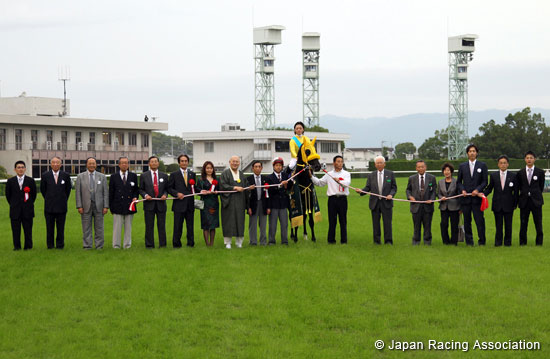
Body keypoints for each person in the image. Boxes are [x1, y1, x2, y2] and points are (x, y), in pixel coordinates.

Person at [356, 155, 397, 244]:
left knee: (387, 223)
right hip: (375, 203)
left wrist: (391, 194)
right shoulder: (371, 175)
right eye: (377, 163)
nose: (379, 164)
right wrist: (361, 191)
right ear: (375, 165)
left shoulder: (390, 174)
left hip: (387, 203)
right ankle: (377, 241)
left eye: (380, 163)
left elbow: (394, 188)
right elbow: (368, 187)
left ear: (384, 164)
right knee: (375, 224)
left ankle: (388, 241)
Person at [311, 155, 351, 244]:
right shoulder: (329, 174)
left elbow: (346, 183)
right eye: (338, 161)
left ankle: (344, 241)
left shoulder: (346, 174)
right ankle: (331, 240)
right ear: (334, 163)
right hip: (332, 200)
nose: (340, 163)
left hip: (342, 199)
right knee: (332, 221)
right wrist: (311, 177)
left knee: (343, 221)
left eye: (341, 161)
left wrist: (339, 181)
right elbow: (320, 183)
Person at [457, 144, 488, 246]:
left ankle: (482, 241)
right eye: (470, 151)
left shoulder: (482, 165)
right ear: (467, 153)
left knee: (479, 221)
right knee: (467, 222)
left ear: (477, 153)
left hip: (477, 200)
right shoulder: (462, 166)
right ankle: (469, 242)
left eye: (474, 151)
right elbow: (459, 182)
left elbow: (484, 182)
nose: (472, 153)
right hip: (466, 200)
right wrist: (462, 190)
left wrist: (477, 190)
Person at [483, 155, 517, 247]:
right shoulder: (494, 175)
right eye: (501, 163)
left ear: (508, 164)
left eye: (505, 163)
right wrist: (482, 194)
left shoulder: (513, 176)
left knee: (508, 225)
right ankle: (498, 243)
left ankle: (507, 243)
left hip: (509, 205)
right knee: (498, 225)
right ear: (498, 164)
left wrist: (515, 203)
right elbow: (490, 188)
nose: (503, 165)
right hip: (497, 204)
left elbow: (516, 191)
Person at [75, 157, 109, 249]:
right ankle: (87, 246)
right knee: (86, 228)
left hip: (99, 206)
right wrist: (79, 206)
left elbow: (105, 192)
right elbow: (78, 193)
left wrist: (106, 206)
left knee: (99, 228)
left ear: (96, 164)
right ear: (86, 164)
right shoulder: (80, 177)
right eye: (89, 163)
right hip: (85, 206)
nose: (91, 165)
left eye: (93, 163)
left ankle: (99, 246)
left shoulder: (102, 177)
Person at [40, 156, 72, 249]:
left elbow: (68, 190)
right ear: (50, 164)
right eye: (53, 162)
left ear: (60, 164)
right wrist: (49, 198)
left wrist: (62, 199)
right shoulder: (45, 175)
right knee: (49, 228)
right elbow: (43, 190)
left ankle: (60, 245)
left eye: (57, 162)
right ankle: (50, 245)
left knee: (60, 227)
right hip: (49, 207)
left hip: (61, 206)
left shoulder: (65, 175)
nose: (55, 164)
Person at [5, 161, 37, 250]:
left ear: (25, 169)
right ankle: (17, 246)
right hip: (15, 210)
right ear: (15, 169)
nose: (21, 169)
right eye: (18, 167)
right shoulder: (10, 181)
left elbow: (33, 195)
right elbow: (8, 196)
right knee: (15, 230)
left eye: (22, 167)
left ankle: (28, 246)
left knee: (28, 230)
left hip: (28, 210)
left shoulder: (30, 181)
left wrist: (28, 204)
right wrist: (14, 205)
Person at [109, 156, 139, 249]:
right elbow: (111, 192)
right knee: (117, 228)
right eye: (122, 163)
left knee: (128, 228)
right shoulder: (114, 177)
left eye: (126, 163)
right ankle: (116, 245)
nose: (125, 164)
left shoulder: (133, 176)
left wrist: (135, 197)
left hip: (129, 205)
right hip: (117, 206)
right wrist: (111, 207)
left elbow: (135, 190)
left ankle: (127, 245)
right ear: (119, 164)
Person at [516, 151, 545, 246]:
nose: (529, 159)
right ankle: (522, 242)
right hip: (524, 201)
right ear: (525, 159)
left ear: (534, 159)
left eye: (531, 158)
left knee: (538, 223)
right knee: (523, 223)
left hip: (536, 202)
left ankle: (539, 243)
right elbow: (519, 186)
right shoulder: (520, 173)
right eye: (527, 158)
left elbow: (541, 187)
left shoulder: (540, 172)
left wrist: (534, 194)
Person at [219, 156, 248, 249]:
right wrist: (234, 188)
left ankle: (239, 242)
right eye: (233, 161)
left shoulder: (241, 174)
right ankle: (227, 242)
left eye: (237, 162)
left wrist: (249, 188)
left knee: (240, 220)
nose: (235, 163)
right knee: (228, 221)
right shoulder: (225, 173)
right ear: (229, 162)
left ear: (239, 163)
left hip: (240, 202)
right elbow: (223, 185)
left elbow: (246, 186)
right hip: (229, 202)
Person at [139, 155, 168, 248]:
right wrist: (145, 195)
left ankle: (163, 245)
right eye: (152, 161)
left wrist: (165, 195)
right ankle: (149, 245)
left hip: (161, 204)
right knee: (149, 226)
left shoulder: (164, 175)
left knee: (162, 225)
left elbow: (167, 189)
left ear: (158, 163)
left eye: (156, 161)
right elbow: (141, 189)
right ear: (149, 164)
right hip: (149, 204)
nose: (154, 163)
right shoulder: (144, 175)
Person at [168, 154, 196, 248]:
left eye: (186, 161)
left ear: (188, 162)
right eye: (182, 161)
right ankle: (176, 244)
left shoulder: (192, 174)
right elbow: (169, 188)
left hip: (190, 205)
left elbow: (194, 188)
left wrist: (202, 191)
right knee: (177, 226)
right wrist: (176, 194)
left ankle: (190, 243)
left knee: (190, 226)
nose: (184, 163)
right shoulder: (174, 175)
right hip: (179, 205)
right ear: (179, 162)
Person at [406, 160, 437, 245]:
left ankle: (427, 241)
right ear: (416, 168)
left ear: (425, 167)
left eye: (422, 166)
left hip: (428, 206)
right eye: (419, 167)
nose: (421, 168)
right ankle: (416, 241)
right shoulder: (412, 178)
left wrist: (432, 199)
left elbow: (434, 191)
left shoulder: (432, 178)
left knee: (427, 225)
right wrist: (410, 197)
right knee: (416, 226)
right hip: (416, 206)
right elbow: (408, 190)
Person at [266, 157, 291, 245]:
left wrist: (286, 186)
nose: (278, 167)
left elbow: (289, 188)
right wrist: (280, 185)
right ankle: (271, 241)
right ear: (273, 166)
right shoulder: (269, 177)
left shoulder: (286, 176)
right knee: (272, 225)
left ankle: (284, 241)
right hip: (274, 205)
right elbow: (270, 191)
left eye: (280, 165)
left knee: (284, 224)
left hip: (283, 204)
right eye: (276, 165)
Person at [246, 160, 270, 246]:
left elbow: (268, 195)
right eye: (255, 167)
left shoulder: (266, 179)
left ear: (262, 168)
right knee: (252, 224)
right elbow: (246, 195)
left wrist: (268, 207)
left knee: (263, 224)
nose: (257, 168)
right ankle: (253, 242)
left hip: (263, 204)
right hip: (253, 205)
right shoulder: (248, 180)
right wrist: (248, 207)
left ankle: (263, 242)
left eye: (259, 166)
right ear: (252, 168)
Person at [438, 162, 460, 245]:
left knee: (454, 225)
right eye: (445, 170)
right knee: (443, 224)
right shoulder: (440, 182)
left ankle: (454, 242)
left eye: (448, 170)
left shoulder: (457, 182)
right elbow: (438, 193)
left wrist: (461, 208)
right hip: (443, 207)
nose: (446, 172)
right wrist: (441, 198)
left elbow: (459, 194)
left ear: (451, 171)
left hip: (455, 207)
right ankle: (445, 241)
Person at [198, 161, 219, 247]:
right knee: (205, 224)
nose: (209, 170)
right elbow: (197, 190)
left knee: (213, 224)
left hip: (214, 203)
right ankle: (207, 244)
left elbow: (220, 190)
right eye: (207, 168)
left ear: (213, 169)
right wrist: (201, 192)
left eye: (211, 168)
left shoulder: (217, 179)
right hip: (205, 204)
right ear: (204, 169)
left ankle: (212, 243)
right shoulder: (201, 180)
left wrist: (217, 192)